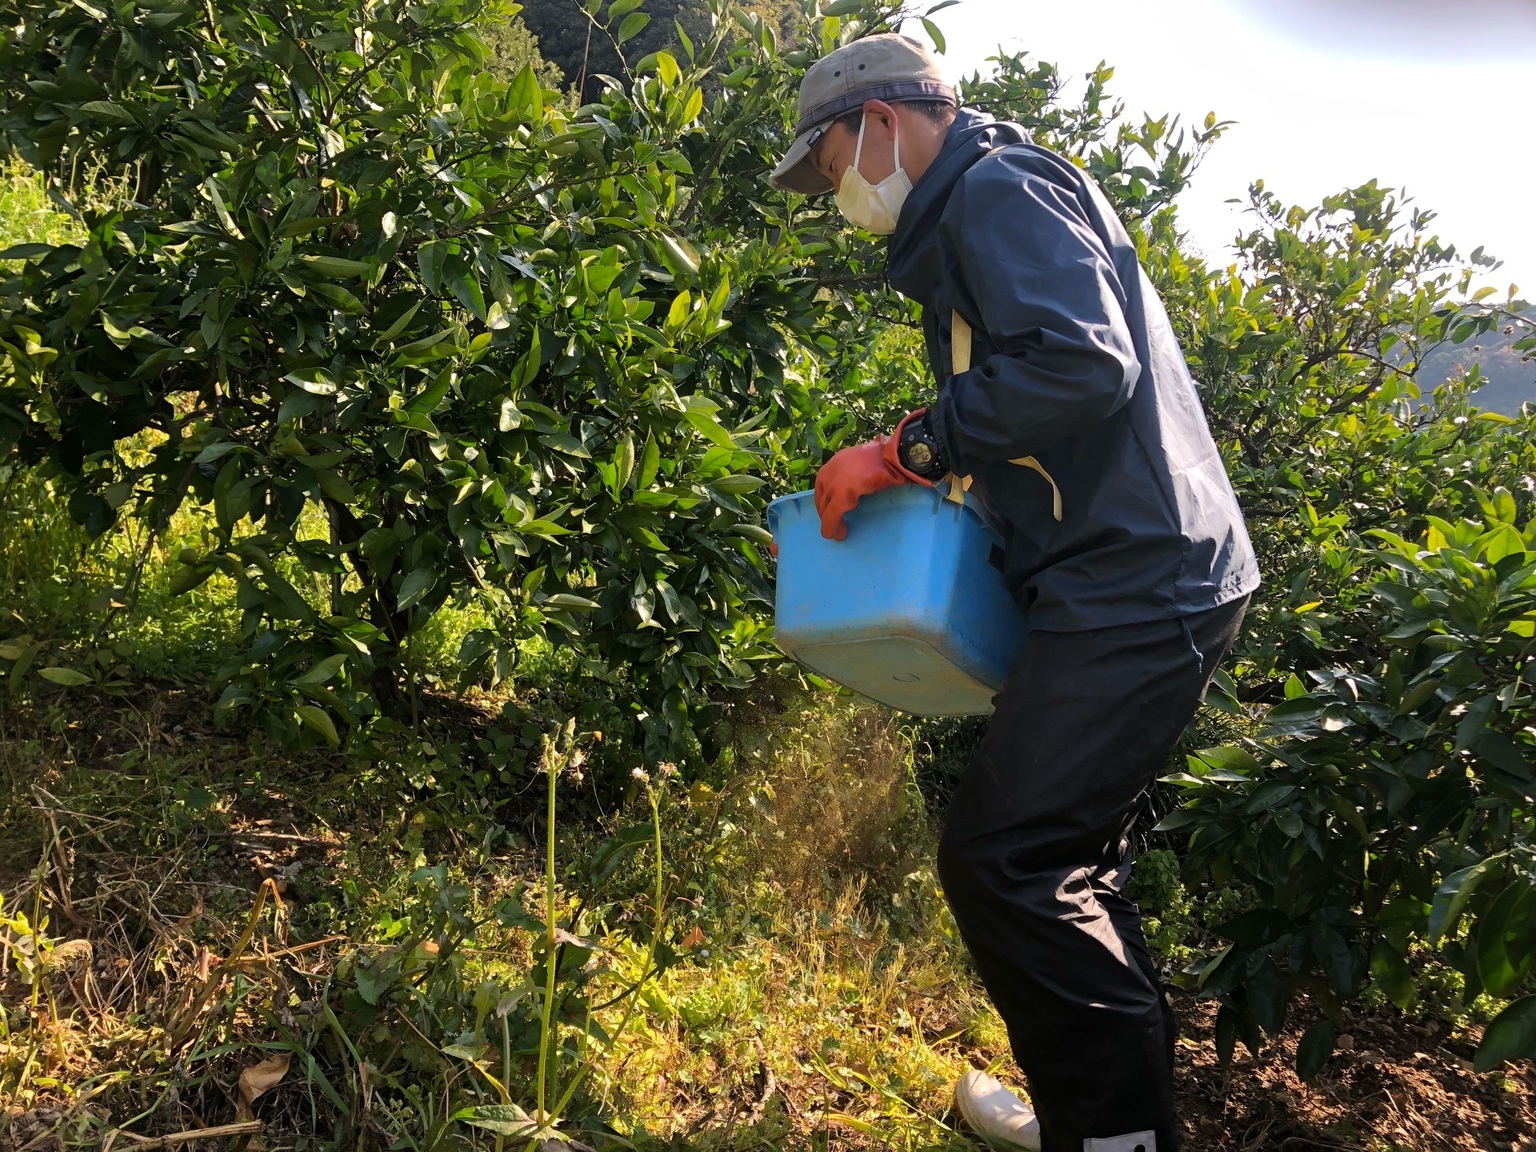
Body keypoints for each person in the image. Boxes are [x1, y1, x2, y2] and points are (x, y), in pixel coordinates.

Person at [768, 33, 1261, 1152]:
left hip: (1141, 575)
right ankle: (1103, 1121)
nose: (833, 189)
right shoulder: (981, 207)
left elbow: (1083, 365)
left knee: (1013, 859)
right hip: (1126, 565)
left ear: (885, 123)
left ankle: (1111, 1140)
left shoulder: (995, 190)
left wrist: (905, 449)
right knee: (1068, 866)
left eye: (832, 158)